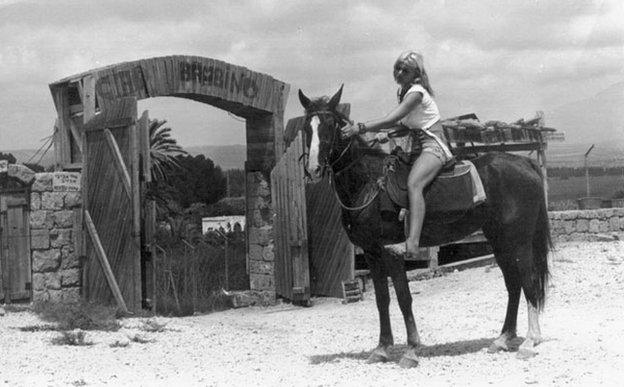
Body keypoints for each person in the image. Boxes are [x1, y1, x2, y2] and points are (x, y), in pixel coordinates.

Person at [341, 51, 453, 259]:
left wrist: (360, 128)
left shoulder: (416, 93)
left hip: (433, 147)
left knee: (414, 184)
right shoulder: (405, 92)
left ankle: (412, 243)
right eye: (397, 69)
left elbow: (392, 118)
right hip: (416, 146)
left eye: (405, 70)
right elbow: (405, 124)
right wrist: (388, 135)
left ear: (416, 74)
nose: (400, 73)